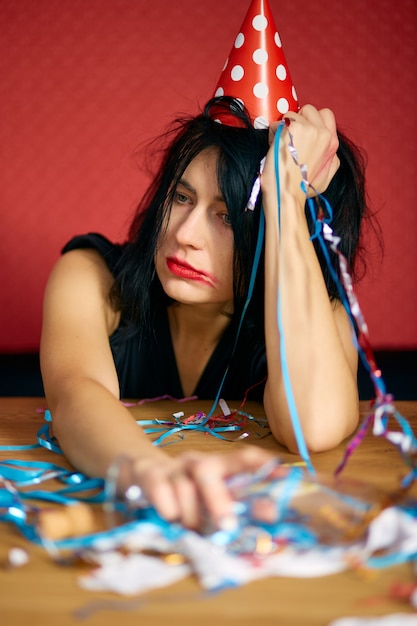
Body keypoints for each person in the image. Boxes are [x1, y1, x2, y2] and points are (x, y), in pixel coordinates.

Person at [40, 96, 368, 531]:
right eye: (181, 197)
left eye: (228, 217)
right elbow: (74, 396)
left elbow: (315, 428)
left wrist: (285, 197)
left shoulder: (316, 316)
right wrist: (158, 474)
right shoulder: (91, 275)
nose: (185, 234)